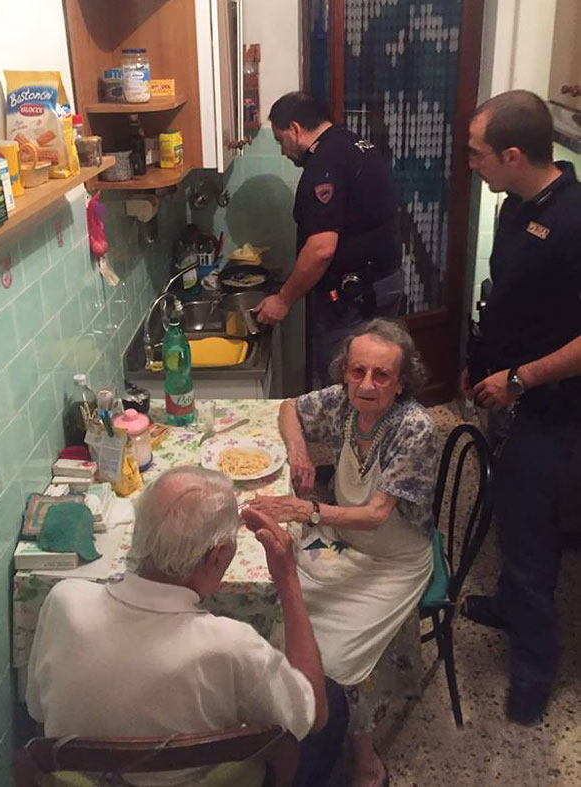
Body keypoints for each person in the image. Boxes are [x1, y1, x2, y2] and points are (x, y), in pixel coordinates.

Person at [26, 466, 349, 787]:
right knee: (331, 698)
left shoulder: (63, 601)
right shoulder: (230, 645)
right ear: (217, 557)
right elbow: (314, 714)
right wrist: (288, 579)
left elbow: (39, 714)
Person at [248, 319, 439, 787]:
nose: (366, 385)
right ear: (345, 371)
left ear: (401, 382)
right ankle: (288, 723)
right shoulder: (342, 403)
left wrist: (307, 510)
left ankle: (364, 755)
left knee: (336, 659)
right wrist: (299, 452)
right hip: (346, 540)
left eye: (381, 376)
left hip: (395, 559)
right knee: (278, 604)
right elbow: (289, 407)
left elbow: (376, 514)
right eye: (357, 372)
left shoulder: (413, 427)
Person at [461, 89, 581, 725]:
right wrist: (480, 362)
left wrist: (520, 378)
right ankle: (507, 604)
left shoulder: (574, 222)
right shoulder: (514, 206)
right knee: (508, 507)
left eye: (477, 153)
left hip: (553, 407)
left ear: (512, 154)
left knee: (533, 536)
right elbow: (506, 296)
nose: (470, 163)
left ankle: (534, 671)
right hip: (504, 386)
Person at [255, 91, 404, 387]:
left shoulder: (325, 164)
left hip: (355, 298)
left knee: (342, 382)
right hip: (382, 283)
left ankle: (339, 434)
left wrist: (283, 300)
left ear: (295, 129)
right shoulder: (351, 143)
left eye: (279, 140)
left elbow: (321, 249)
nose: (283, 151)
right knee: (374, 378)